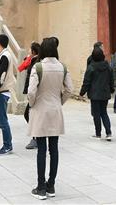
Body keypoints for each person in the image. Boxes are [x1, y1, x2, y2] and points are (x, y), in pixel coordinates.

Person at [27, 37, 73, 200]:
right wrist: (59, 102)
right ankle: (51, 185)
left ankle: (40, 187)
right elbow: (69, 89)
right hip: (55, 110)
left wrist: (32, 103)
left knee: (41, 149)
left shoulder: (38, 67)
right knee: (54, 149)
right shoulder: (63, 67)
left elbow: (31, 91)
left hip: (40, 110)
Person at [80, 46, 114, 140]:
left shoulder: (91, 68)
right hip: (105, 93)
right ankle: (108, 133)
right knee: (104, 113)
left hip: (94, 95)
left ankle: (98, 133)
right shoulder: (107, 66)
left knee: (96, 115)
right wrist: (112, 89)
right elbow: (111, 79)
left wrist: (82, 93)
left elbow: (86, 82)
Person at [18, 42, 41, 149]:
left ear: (33, 51)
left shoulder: (36, 62)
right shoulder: (33, 60)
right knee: (30, 115)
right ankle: (37, 136)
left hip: (34, 92)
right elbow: (21, 67)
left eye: (30, 49)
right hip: (32, 91)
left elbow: (21, 67)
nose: (28, 51)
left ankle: (37, 137)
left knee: (28, 115)